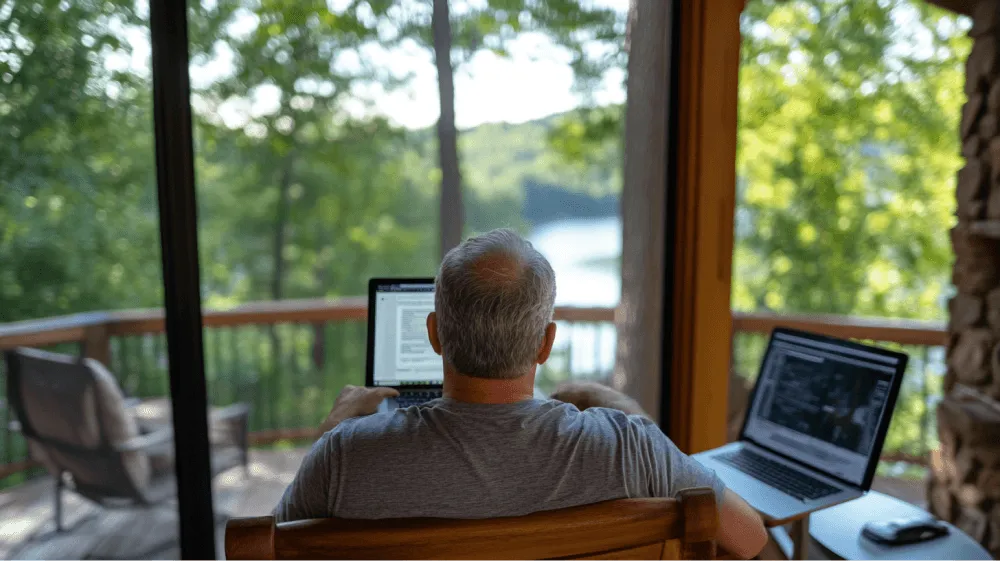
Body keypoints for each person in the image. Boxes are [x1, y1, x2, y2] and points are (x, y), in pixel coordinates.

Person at [273, 228, 768, 560]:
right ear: (546, 343)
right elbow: (749, 539)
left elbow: (263, 547)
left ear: (435, 336)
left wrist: (331, 430)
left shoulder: (346, 457)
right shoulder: (632, 447)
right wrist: (631, 416)